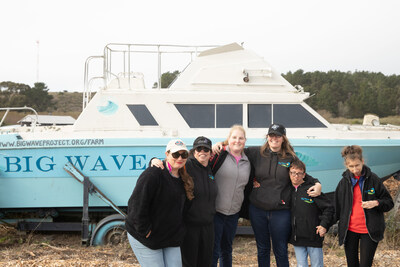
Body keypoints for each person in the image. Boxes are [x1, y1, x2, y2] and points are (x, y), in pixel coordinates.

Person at [213, 123, 321, 267]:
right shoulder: (256, 153)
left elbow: (301, 174)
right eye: (272, 135)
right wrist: (221, 143)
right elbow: (235, 146)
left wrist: (317, 183)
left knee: (281, 250)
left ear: (283, 138)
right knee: (262, 249)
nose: (274, 138)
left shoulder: (290, 157)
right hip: (257, 209)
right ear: (267, 137)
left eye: (278, 136)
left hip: (281, 211)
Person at [125, 139, 194, 267]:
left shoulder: (184, 177)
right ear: (167, 154)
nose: (179, 158)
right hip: (146, 236)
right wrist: (144, 230)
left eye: (183, 154)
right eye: (175, 154)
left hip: (170, 236)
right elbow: (136, 204)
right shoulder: (153, 174)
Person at [150, 136, 218, 267]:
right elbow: (168, 163)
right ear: (193, 151)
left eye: (206, 149)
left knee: (206, 262)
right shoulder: (186, 165)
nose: (202, 151)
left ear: (210, 152)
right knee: (189, 263)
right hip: (189, 226)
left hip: (208, 226)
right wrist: (153, 161)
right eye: (199, 149)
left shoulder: (211, 169)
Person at [335, 145, 394, 267]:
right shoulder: (343, 182)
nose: (355, 169)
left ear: (362, 162)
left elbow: (389, 202)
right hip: (349, 230)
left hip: (369, 230)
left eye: (357, 165)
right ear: (346, 165)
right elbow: (336, 208)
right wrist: (324, 225)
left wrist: (376, 203)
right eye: (351, 166)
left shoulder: (373, 179)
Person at [210, 125, 252, 267]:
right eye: (234, 137)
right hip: (216, 212)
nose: (237, 141)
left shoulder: (248, 161)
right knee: (213, 251)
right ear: (229, 139)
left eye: (240, 138)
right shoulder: (218, 154)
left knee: (226, 250)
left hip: (233, 213)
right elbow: (194, 161)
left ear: (245, 141)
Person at [288, 158, 334, 267]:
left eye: (299, 173)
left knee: (317, 265)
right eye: (293, 173)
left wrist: (324, 225)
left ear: (304, 175)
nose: (296, 176)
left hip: (313, 236)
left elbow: (329, 208)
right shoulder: (287, 189)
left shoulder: (312, 190)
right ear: (289, 173)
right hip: (297, 237)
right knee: (301, 265)